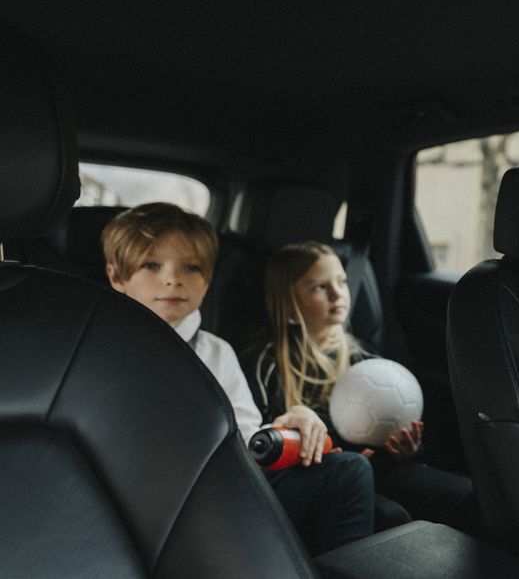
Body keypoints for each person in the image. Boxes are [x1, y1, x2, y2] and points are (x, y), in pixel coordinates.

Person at [101, 203, 374, 556]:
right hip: (138, 503)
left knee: (350, 470)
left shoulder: (217, 353)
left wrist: (287, 425)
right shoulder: (99, 350)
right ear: (117, 277)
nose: (173, 279)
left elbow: (247, 443)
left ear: (207, 280)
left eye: (191, 267)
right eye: (151, 265)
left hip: (220, 497)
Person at [251, 241, 479, 534]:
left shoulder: (363, 359)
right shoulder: (268, 365)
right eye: (320, 287)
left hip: (383, 467)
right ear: (289, 305)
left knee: (466, 496)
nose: (338, 294)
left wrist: (407, 450)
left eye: (341, 282)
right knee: (392, 515)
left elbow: (393, 428)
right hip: (329, 474)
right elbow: (265, 443)